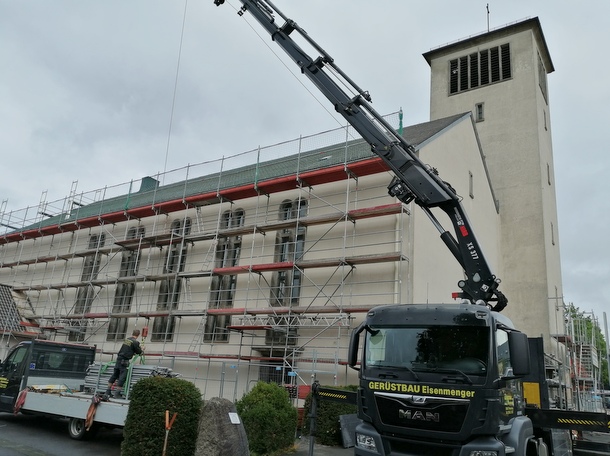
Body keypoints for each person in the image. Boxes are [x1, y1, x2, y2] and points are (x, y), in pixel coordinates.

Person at [105, 329, 143, 398]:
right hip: (124, 360)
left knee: (115, 375)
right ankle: (117, 393)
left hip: (119, 358)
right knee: (122, 376)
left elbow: (128, 349)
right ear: (138, 335)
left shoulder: (127, 340)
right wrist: (142, 349)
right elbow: (139, 352)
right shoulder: (135, 342)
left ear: (132, 333)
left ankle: (108, 391)